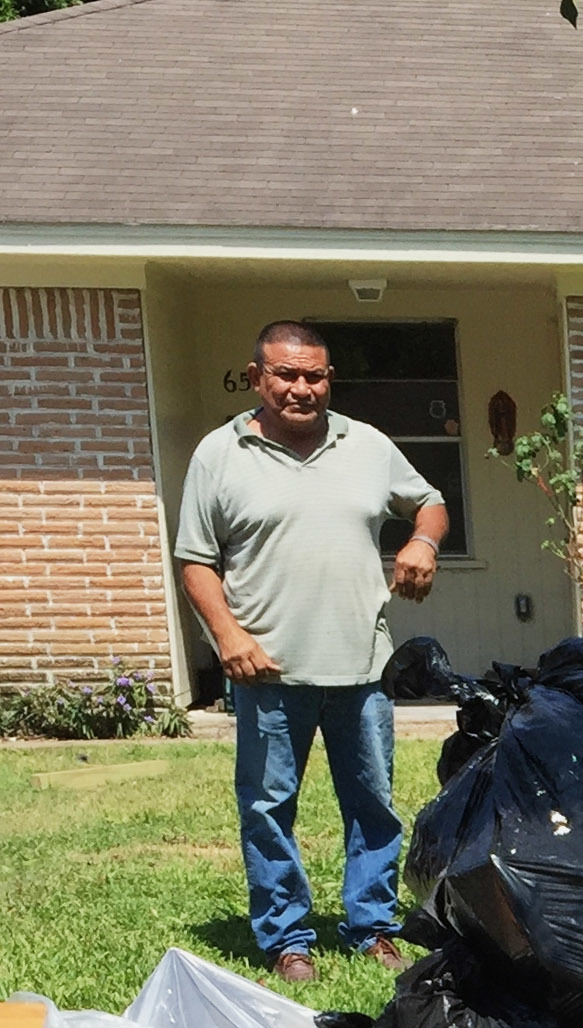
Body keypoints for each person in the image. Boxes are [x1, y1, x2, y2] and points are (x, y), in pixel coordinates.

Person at [175, 319, 449, 982]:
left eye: (315, 376)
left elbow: (431, 502)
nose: (302, 388)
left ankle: (373, 926)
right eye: (286, 374)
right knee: (268, 809)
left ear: (330, 379)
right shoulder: (220, 453)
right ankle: (286, 938)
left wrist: (422, 541)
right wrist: (228, 636)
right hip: (267, 670)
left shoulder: (368, 445)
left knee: (373, 805)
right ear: (256, 378)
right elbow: (196, 560)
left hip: (362, 665)